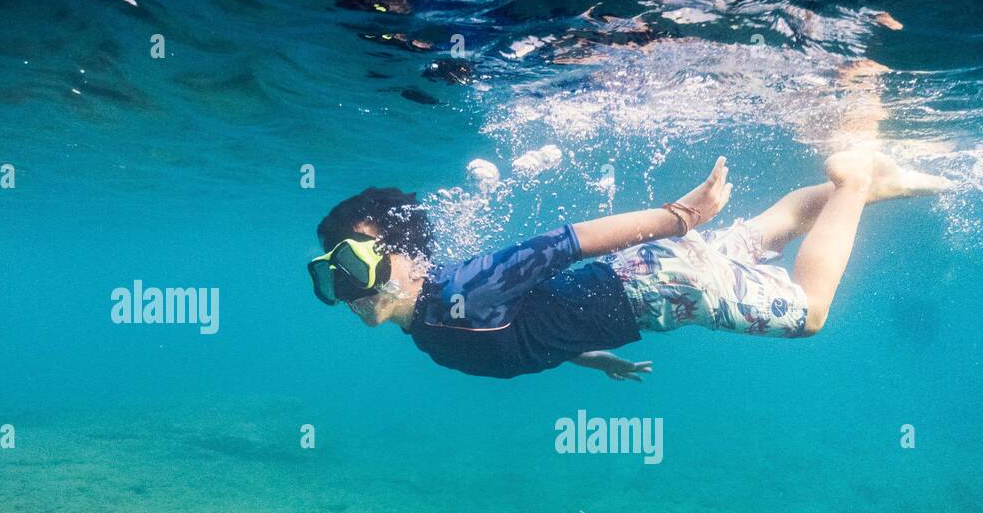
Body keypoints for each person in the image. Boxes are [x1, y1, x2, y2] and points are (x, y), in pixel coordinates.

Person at [307, 150, 948, 380]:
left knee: (809, 314)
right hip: (654, 277)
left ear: (411, 260)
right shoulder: (427, 330)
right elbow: (525, 335)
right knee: (769, 229)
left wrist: (682, 216)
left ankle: (854, 180)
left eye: (356, 266)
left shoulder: (463, 290)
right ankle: (873, 180)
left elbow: (564, 243)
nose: (347, 289)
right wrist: (589, 354)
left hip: (666, 287)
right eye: (331, 275)